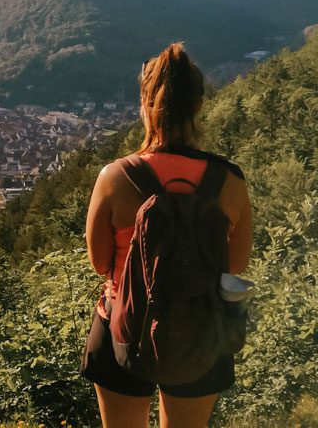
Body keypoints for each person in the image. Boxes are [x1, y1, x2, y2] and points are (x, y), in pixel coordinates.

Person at [81, 43, 252, 428]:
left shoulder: (115, 177)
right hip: (201, 327)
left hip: (122, 324)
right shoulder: (229, 182)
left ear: (145, 105)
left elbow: (100, 263)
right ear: (198, 105)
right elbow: (235, 265)